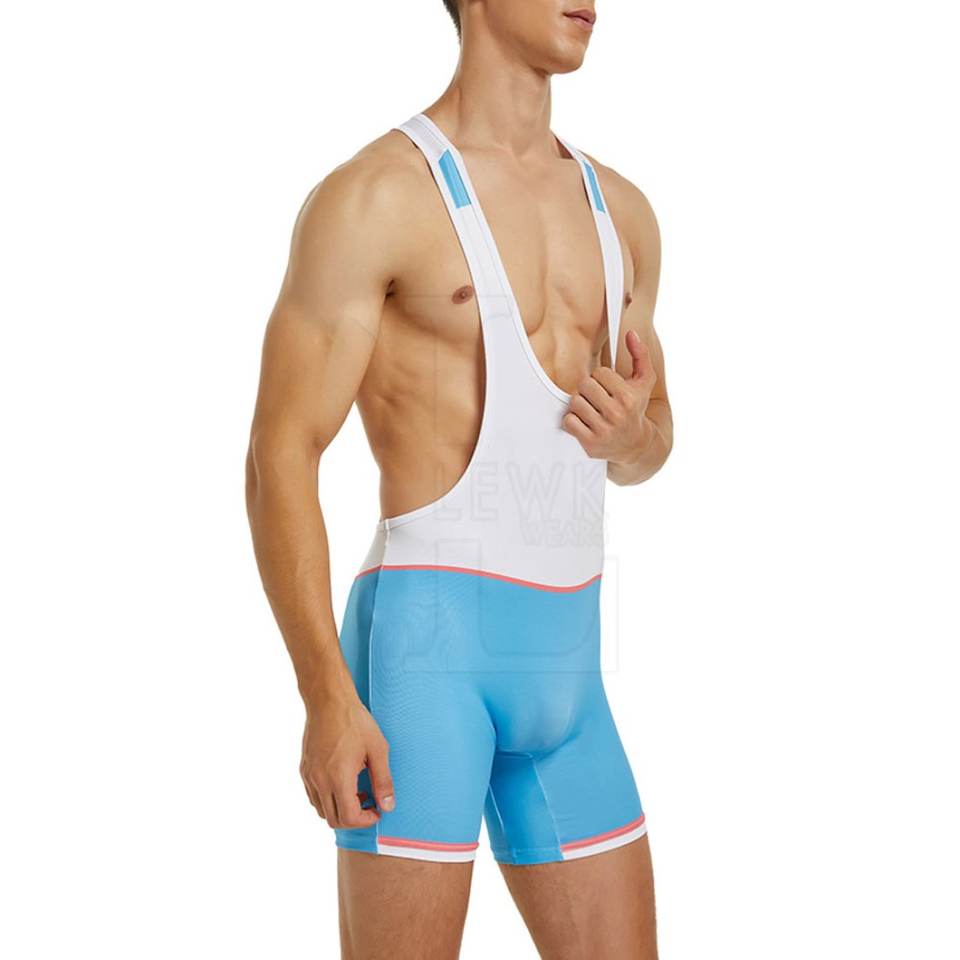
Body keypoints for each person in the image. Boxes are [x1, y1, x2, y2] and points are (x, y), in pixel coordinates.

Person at [246, 2, 672, 956]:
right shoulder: (375, 199)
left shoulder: (623, 213)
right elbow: (280, 454)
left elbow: (653, 445)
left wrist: (632, 436)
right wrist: (325, 695)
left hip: (570, 675)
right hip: (424, 665)